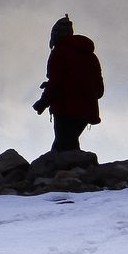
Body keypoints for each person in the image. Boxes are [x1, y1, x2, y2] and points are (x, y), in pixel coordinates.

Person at [33, 14, 104, 152]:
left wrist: (42, 103)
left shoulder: (59, 52)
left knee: (61, 148)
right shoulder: (90, 55)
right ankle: (79, 171)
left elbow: (56, 82)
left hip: (65, 109)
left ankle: (60, 172)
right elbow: (99, 90)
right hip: (87, 111)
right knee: (70, 144)